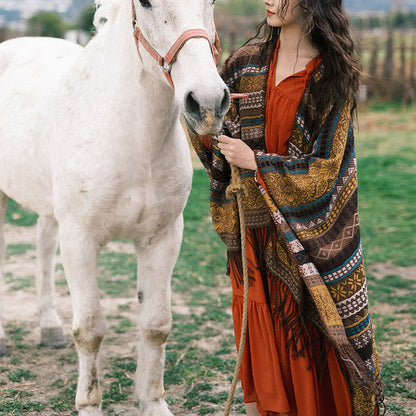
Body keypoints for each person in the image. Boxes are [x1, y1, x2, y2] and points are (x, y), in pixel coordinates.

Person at [187, 0, 384, 415]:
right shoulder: (244, 63)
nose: (270, 1)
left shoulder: (333, 74)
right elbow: (212, 138)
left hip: (307, 240)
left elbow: (325, 171)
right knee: (266, 349)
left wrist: (256, 162)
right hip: (254, 241)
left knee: (312, 345)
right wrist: (210, 122)